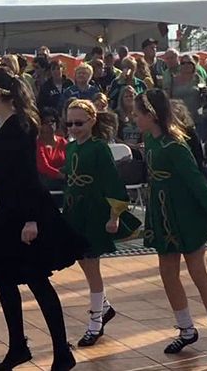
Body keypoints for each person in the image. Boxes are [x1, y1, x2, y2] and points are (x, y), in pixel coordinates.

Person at [0, 66, 86, 371]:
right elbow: (10, 168)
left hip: (25, 212)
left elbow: (27, 175)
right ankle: (17, 347)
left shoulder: (20, 125)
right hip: (9, 209)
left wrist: (31, 221)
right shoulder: (2, 122)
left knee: (37, 281)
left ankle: (61, 352)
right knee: (2, 277)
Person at [133, 89, 207, 359]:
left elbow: (196, 180)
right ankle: (186, 329)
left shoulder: (175, 145)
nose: (134, 118)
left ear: (151, 115)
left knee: (197, 271)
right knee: (167, 272)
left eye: (138, 114)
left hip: (186, 215)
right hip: (164, 215)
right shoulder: (150, 140)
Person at [63, 99, 141, 347]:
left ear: (92, 121)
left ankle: (95, 320)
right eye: (70, 123)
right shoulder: (71, 148)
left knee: (92, 264)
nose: (74, 127)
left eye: (79, 122)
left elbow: (112, 183)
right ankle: (104, 307)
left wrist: (114, 215)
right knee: (83, 261)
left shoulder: (99, 148)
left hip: (95, 214)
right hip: (76, 213)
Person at [36, 108, 67, 189]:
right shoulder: (37, 144)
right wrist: (64, 176)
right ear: (40, 125)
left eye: (53, 121)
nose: (50, 124)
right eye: (46, 122)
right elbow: (43, 167)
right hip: (45, 185)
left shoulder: (63, 142)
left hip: (64, 183)